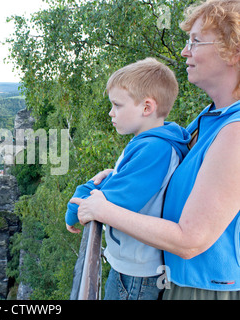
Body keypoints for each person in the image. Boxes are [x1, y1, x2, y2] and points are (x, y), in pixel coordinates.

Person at [72, 0, 240, 300]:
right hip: (176, 279)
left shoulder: (235, 131)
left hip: (201, 288)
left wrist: (103, 209)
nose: (185, 52)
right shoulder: (212, 116)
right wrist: (121, 173)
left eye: (196, 41)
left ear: (234, 50)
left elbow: (191, 240)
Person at [66, 58, 191, 300]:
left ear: (146, 107)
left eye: (117, 105)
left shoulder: (154, 149)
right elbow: (138, 184)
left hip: (136, 275)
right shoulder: (155, 142)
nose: (111, 113)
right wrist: (113, 174)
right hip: (138, 268)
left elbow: (112, 200)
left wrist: (74, 206)